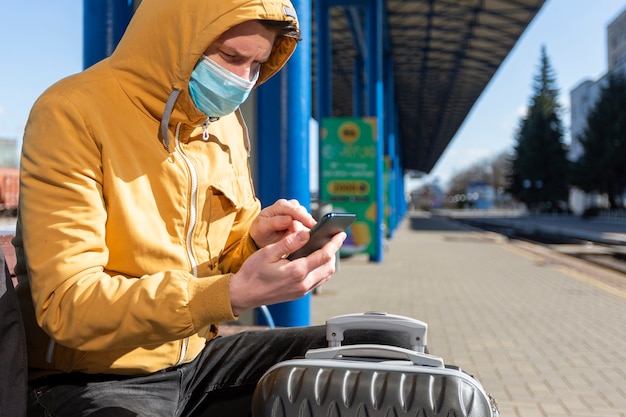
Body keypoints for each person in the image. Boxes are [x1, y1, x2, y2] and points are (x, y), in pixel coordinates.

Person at [12, 0, 346, 415]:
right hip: (94, 375)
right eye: (231, 57)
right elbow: (68, 305)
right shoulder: (72, 111)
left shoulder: (223, 123)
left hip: (196, 359)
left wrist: (257, 242)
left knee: (368, 352)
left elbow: (218, 258)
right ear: (177, 41)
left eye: (256, 64)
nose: (242, 80)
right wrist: (231, 294)